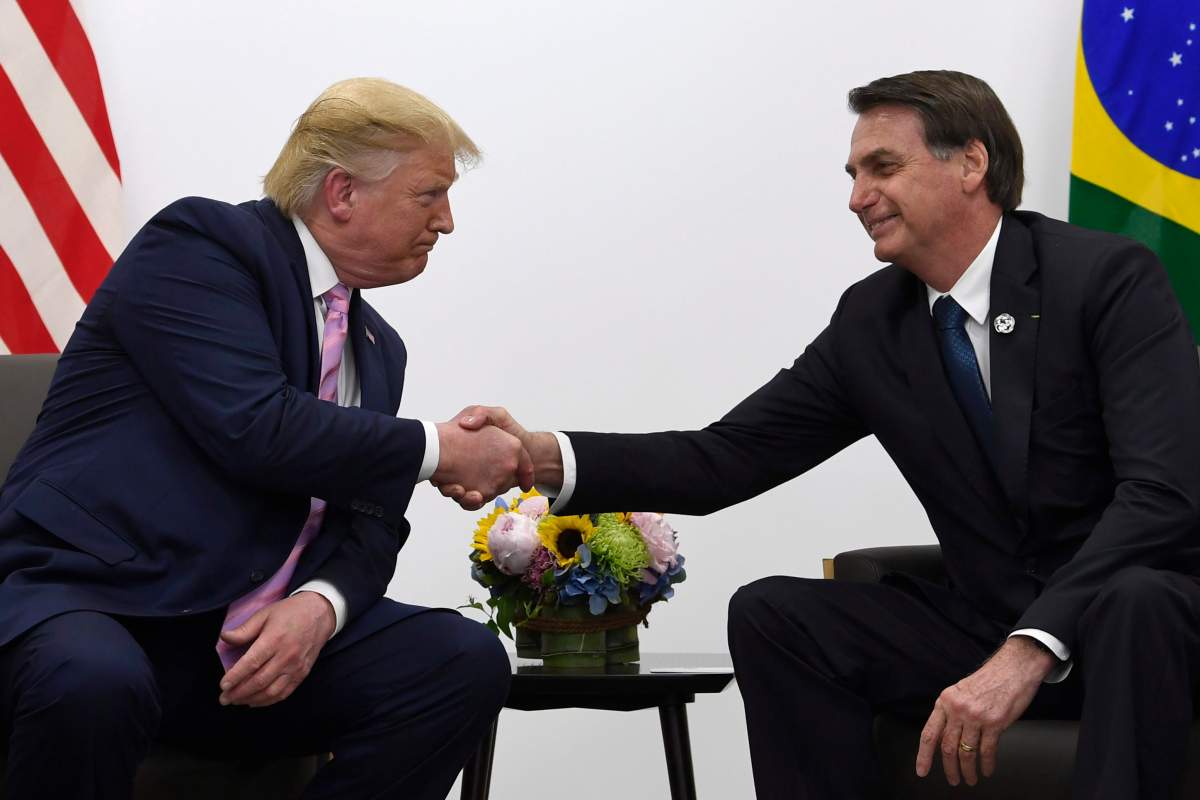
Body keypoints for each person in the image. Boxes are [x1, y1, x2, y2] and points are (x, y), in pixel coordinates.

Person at [445, 71, 1200, 798]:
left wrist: (1031, 647)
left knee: (1139, 600)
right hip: (985, 620)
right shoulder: (875, 322)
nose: (857, 198)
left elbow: (1162, 496)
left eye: (882, 168)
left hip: (1132, 625)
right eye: (852, 174)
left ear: (972, 162)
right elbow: (724, 459)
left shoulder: (1104, 278)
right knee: (777, 615)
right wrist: (537, 457)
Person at [0, 78, 532, 800]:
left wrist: (321, 606)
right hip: (103, 604)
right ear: (342, 193)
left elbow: (372, 521)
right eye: (429, 194)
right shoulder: (202, 248)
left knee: (459, 661)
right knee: (95, 681)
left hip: (241, 650)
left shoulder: (379, 348)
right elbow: (257, 427)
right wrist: (441, 449)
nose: (446, 222)